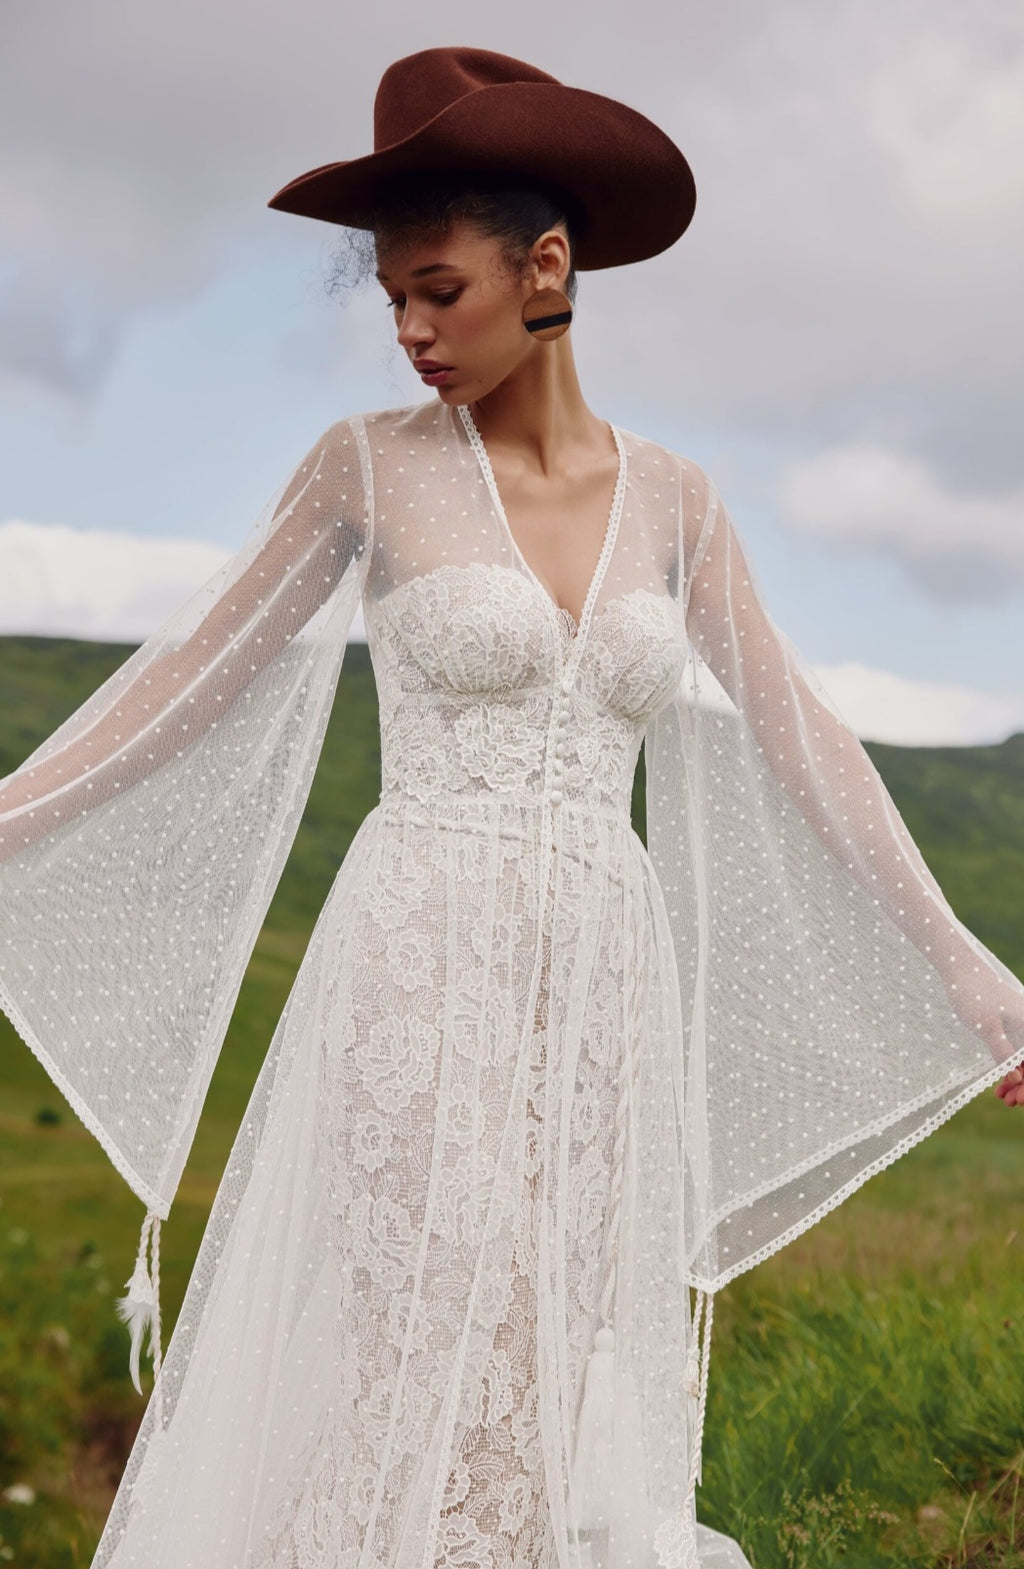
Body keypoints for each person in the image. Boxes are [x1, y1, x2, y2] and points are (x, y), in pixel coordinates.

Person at [1, 45, 1022, 1569]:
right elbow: (187, 679)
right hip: (417, 956)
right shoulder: (365, 470)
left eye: (438, 289)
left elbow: (802, 734)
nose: (409, 330)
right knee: (428, 1318)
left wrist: (971, 971)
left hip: (600, 977)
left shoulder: (677, 497)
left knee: (555, 1341)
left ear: (547, 268)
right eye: (391, 299)